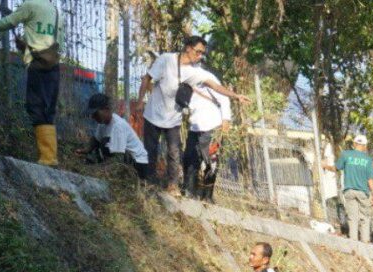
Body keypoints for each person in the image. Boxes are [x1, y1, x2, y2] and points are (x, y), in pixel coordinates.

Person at [135, 36, 249, 191]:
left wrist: (235, 96)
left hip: (173, 119)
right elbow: (147, 78)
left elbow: (215, 86)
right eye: (198, 52)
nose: (200, 55)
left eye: (202, 53)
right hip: (153, 114)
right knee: (150, 149)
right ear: (188, 48)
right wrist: (141, 101)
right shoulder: (166, 60)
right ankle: (148, 182)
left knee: (174, 153)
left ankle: (173, 185)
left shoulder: (197, 72)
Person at [0, 0, 62, 164]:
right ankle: (50, 157)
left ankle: (48, 159)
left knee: (36, 107)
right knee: (47, 110)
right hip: (53, 66)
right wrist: (26, 47)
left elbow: (7, 22)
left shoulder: (30, 4)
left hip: (37, 66)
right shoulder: (55, 11)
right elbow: (55, 42)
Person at [182, 71, 232, 198]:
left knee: (211, 161)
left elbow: (224, 98)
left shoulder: (207, 78)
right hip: (195, 126)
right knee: (190, 159)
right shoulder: (184, 82)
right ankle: (189, 191)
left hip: (212, 126)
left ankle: (207, 196)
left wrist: (225, 120)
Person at [77, 93, 148, 178]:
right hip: (127, 158)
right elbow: (96, 139)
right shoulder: (102, 123)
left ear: (106, 109)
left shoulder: (118, 126)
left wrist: (99, 170)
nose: (93, 117)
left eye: (95, 113)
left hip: (138, 164)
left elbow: (118, 158)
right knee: (103, 143)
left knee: (105, 143)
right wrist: (86, 150)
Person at [324, 135, 373, 242]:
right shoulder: (368, 159)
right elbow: (370, 180)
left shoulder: (346, 155)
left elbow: (336, 168)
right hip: (363, 192)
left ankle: (353, 242)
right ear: (364, 146)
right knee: (365, 218)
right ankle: (365, 241)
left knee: (352, 218)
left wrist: (325, 166)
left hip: (349, 191)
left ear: (355, 144)